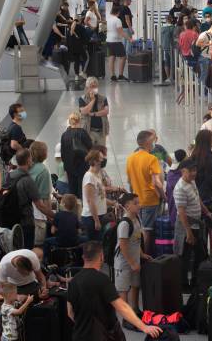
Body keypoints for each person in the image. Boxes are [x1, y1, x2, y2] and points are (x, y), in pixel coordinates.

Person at [67, 241, 162, 339]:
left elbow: (70, 312)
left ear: (83, 257)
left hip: (80, 336)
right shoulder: (102, 279)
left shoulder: (73, 281)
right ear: (101, 256)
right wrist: (144, 327)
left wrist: (84, 326)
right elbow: (122, 307)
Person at [115, 193, 151, 327]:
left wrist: (141, 255)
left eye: (138, 202)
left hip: (135, 260)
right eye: (135, 203)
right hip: (123, 263)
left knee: (135, 285)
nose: (139, 205)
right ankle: (126, 319)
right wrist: (131, 263)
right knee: (123, 289)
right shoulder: (124, 224)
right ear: (127, 206)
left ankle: (135, 310)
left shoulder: (137, 219)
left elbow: (137, 239)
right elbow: (123, 246)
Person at [126, 130, 165, 255]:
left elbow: (130, 181)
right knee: (147, 230)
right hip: (150, 199)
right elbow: (157, 182)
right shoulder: (151, 159)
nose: (154, 143)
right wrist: (164, 196)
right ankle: (145, 256)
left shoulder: (130, 158)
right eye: (153, 141)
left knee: (139, 228)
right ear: (148, 143)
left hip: (137, 200)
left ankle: (138, 252)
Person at [174, 159, 210, 289]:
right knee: (185, 256)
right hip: (186, 226)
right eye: (191, 171)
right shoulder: (180, 188)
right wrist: (188, 232)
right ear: (183, 171)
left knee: (199, 255)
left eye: (195, 170)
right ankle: (184, 285)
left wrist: (206, 211)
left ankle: (195, 280)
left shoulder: (191, 182)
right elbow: (181, 212)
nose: (194, 173)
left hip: (196, 224)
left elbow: (197, 197)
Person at [7, 149, 53, 249]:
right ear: (28, 160)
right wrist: (55, 216)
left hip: (12, 220)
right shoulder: (27, 180)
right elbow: (40, 205)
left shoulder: (9, 176)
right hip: (26, 221)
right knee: (27, 251)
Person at [60, 112, 93, 198]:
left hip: (69, 168)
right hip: (82, 167)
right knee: (83, 191)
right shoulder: (83, 133)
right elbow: (91, 148)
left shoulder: (64, 135)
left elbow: (62, 153)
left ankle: (74, 209)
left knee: (72, 191)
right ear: (80, 120)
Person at [81, 149, 111, 240]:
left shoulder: (97, 175)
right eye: (101, 158)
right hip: (91, 217)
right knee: (95, 245)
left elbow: (99, 197)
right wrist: (96, 220)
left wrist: (112, 203)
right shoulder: (89, 177)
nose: (104, 160)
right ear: (94, 161)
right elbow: (90, 201)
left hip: (100, 215)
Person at [79, 77, 110, 146]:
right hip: (89, 131)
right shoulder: (82, 99)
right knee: (90, 152)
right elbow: (84, 111)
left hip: (101, 131)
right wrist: (93, 100)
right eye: (92, 86)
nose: (94, 88)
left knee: (101, 152)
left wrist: (94, 114)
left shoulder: (103, 98)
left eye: (95, 86)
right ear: (87, 87)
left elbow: (106, 111)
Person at [106, 5, 132, 82]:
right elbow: (121, 32)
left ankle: (113, 75)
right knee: (123, 57)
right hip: (116, 41)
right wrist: (129, 39)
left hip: (109, 40)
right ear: (118, 12)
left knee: (112, 57)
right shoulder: (117, 20)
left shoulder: (109, 19)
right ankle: (120, 75)